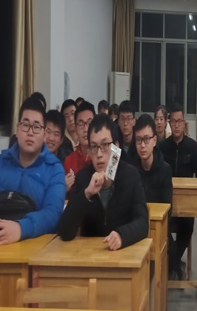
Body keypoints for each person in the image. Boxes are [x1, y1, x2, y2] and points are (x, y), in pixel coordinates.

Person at [0, 97, 66, 246]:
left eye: (36, 127)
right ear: (17, 130)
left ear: (44, 135)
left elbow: (52, 214)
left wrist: (21, 229)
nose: (30, 132)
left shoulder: (54, 169)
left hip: (34, 248)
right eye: (26, 125)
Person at [58, 114, 149, 250]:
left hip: (123, 253)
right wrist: (87, 194)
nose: (99, 154)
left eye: (105, 145)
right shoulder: (83, 178)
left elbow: (143, 223)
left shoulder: (131, 176)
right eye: (94, 147)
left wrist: (121, 235)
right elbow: (64, 232)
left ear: (116, 148)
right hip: (90, 254)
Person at [160, 104, 197, 280]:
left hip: (187, 205)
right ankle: (176, 264)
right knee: (162, 228)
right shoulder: (163, 147)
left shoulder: (192, 147)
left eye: (179, 121)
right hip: (167, 201)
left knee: (187, 229)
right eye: (173, 121)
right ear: (169, 123)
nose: (176, 125)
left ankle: (171, 263)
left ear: (184, 123)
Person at [130, 114, 174, 270]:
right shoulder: (130, 169)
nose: (142, 145)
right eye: (138, 140)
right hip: (135, 227)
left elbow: (168, 208)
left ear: (154, 140)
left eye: (146, 139)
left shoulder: (165, 169)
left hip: (158, 228)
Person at [63, 101, 96, 193]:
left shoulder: (103, 157)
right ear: (76, 129)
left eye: (89, 123)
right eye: (81, 124)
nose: (86, 129)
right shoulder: (69, 161)